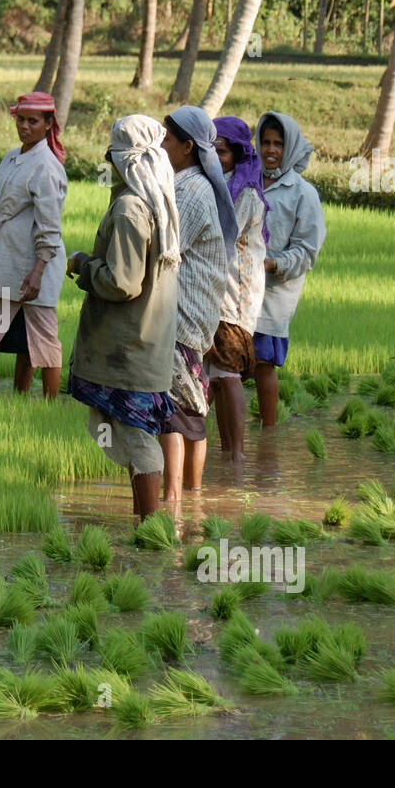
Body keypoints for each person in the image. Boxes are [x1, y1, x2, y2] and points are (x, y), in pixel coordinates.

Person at [65, 115, 180, 522]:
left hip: (128, 348)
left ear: (121, 158)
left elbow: (123, 283)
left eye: (110, 153)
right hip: (143, 344)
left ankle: (151, 529)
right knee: (132, 436)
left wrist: (83, 264)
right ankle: (145, 524)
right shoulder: (156, 201)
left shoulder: (131, 207)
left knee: (137, 437)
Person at [159, 106, 233, 502]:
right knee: (194, 405)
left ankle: (171, 498)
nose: (163, 144)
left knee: (172, 408)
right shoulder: (198, 183)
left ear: (187, 146)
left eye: (168, 139)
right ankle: (194, 495)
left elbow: (167, 250)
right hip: (197, 316)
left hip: (182, 316)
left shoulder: (188, 188)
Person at [0, 91, 69, 399]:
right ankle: (7, 397)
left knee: (44, 340)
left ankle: (49, 406)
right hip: (7, 260)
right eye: (20, 119)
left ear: (48, 124)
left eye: (32, 121)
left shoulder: (46, 167)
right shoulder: (12, 157)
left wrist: (38, 270)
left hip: (35, 266)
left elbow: (50, 226)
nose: (24, 126)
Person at [253, 111, 327, 426]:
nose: (270, 150)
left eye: (278, 144)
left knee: (262, 363)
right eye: (266, 142)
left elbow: (307, 250)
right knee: (223, 364)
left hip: (274, 292)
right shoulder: (245, 179)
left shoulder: (303, 193)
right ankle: (208, 435)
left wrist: (274, 263)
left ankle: (267, 436)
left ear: (291, 147)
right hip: (236, 286)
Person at [208, 115, 269, 461]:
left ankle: (238, 455)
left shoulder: (243, 190)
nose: (217, 158)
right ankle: (225, 450)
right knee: (214, 375)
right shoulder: (214, 183)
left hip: (235, 295)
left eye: (223, 152)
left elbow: (223, 235)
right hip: (214, 292)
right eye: (212, 150)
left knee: (228, 373)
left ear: (238, 155)